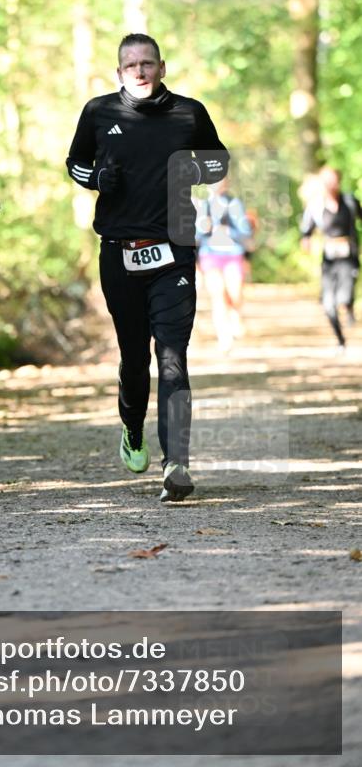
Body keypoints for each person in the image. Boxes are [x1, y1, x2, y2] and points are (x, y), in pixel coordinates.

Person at [66, 33, 229, 502]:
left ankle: (176, 462)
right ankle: (132, 426)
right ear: (119, 72)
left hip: (174, 249)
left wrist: (191, 170)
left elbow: (218, 162)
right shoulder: (99, 112)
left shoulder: (188, 112)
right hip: (119, 251)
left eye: (147, 63)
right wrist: (97, 178)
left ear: (162, 67)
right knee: (135, 359)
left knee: (172, 356)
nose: (139, 71)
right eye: (131, 65)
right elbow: (74, 163)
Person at [300, 166, 361, 351]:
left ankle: (349, 306)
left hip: (348, 256)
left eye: (332, 179)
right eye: (326, 180)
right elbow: (306, 229)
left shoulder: (350, 202)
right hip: (329, 260)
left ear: (338, 181)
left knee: (344, 296)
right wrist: (306, 240)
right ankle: (340, 340)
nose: (330, 184)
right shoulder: (316, 205)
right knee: (328, 305)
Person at [195, 175, 254, 352]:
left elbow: (245, 230)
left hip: (232, 254)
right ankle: (224, 336)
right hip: (210, 255)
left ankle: (235, 315)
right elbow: (195, 235)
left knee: (235, 294)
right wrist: (203, 229)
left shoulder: (234, 204)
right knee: (218, 294)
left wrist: (228, 231)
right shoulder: (202, 205)